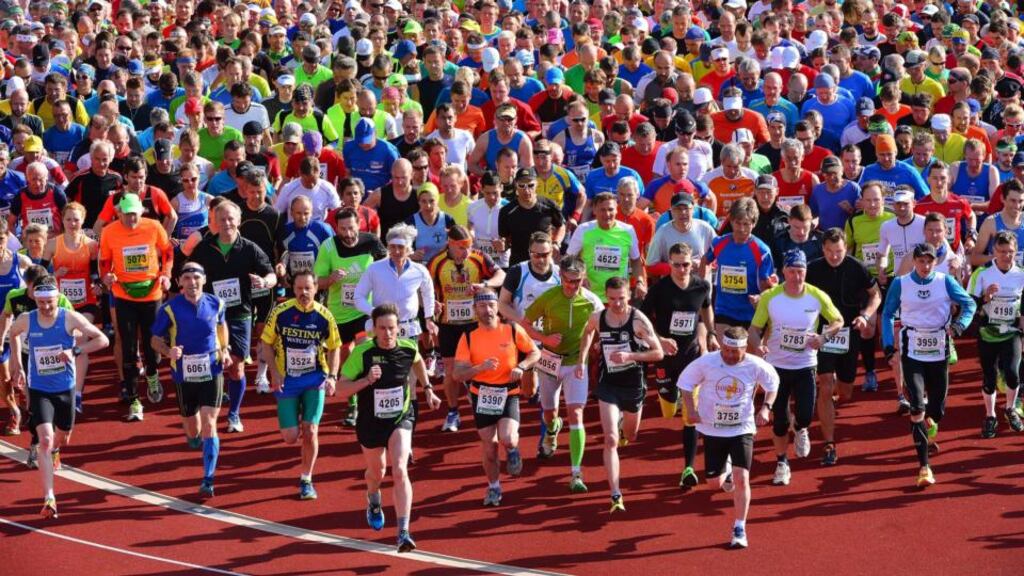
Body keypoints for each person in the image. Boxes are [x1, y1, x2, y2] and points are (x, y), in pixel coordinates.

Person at [338, 303, 442, 553]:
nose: (387, 333)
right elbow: (341, 389)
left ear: (398, 329)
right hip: (370, 423)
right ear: (373, 329)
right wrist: (366, 380)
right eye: (382, 328)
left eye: (392, 328)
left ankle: (403, 532)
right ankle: (374, 500)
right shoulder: (362, 353)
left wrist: (427, 389)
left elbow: (417, 363)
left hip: (400, 418)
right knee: (377, 473)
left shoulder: (407, 347)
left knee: (400, 469)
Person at [9, 278, 108, 518]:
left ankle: (56, 451)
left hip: (65, 389)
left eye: (49, 302)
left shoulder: (69, 317)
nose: (45, 307)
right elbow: (12, 333)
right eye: (41, 302)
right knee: (45, 439)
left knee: (62, 438)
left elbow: (102, 340)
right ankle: (49, 498)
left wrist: (74, 350)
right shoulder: (27, 319)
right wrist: (17, 364)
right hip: (39, 389)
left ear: (57, 299)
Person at [881, 243, 976, 488]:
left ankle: (930, 421)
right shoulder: (901, 283)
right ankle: (924, 467)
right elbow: (888, 314)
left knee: (938, 409)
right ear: (914, 261)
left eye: (929, 261)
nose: (925, 266)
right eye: (921, 261)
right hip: (912, 350)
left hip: (939, 348)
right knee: (916, 407)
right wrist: (889, 346)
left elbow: (969, 304)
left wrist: (959, 326)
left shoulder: (945, 282)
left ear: (936, 262)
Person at [677, 326, 778, 549]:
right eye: (726, 350)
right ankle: (727, 470)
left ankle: (739, 527)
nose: (730, 355)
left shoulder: (755, 364)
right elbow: (685, 383)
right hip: (713, 429)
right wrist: (691, 409)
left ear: (745, 348)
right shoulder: (707, 362)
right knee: (714, 484)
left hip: (742, 428)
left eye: (735, 351)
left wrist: (765, 408)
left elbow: (773, 384)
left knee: (743, 478)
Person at [749, 249, 843, 485]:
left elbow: (837, 321)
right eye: (791, 271)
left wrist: (822, 339)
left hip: (805, 365)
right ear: (783, 272)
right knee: (779, 420)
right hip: (776, 367)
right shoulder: (771, 297)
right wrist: (758, 346)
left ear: (805, 271)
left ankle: (801, 429)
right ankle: (782, 462)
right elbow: (754, 329)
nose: (796, 277)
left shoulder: (816, 296)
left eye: (800, 271)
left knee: (803, 414)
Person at [188, 201, 277, 433]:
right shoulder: (205, 248)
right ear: (215, 222)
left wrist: (265, 281)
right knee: (211, 365)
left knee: (236, 367)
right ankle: (209, 410)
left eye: (231, 219)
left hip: (239, 314)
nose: (227, 223)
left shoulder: (250, 248)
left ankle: (234, 414)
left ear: (238, 221)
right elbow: (189, 273)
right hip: (210, 316)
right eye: (222, 219)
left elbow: (271, 274)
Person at [579, 276, 663, 512]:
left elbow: (658, 354)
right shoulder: (598, 317)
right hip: (608, 385)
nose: (616, 304)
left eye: (622, 299)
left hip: (634, 385)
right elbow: (587, 332)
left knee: (630, 435)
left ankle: (622, 426)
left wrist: (631, 356)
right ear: (606, 297)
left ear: (629, 296)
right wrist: (582, 359)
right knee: (611, 439)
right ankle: (615, 493)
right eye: (612, 299)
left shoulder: (638, 320)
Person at [150, 262, 231, 498]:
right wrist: (168, 352)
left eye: (196, 277)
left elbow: (221, 326)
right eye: (186, 278)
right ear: (180, 283)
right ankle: (194, 438)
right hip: (184, 374)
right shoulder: (170, 309)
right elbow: (155, 339)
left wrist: (224, 349)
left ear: (204, 280)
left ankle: (208, 478)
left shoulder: (217, 304)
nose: (192, 282)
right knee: (193, 429)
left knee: (209, 424)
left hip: (212, 369)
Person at [452, 288, 540, 506]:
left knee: (508, 437)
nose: (487, 310)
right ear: (475, 310)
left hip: (508, 392)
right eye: (482, 306)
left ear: (497, 308)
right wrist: (479, 367)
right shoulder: (468, 336)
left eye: (491, 305)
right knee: (489, 448)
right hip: (481, 395)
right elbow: (457, 374)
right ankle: (493, 487)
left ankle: (512, 449)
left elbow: (534, 352)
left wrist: (522, 366)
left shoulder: (511, 329)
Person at [522, 255, 603, 491]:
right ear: (561, 277)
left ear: (583, 278)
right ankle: (552, 429)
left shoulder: (591, 302)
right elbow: (525, 323)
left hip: (577, 364)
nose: (572, 286)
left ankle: (576, 473)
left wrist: (589, 353)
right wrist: (545, 339)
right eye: (568, 280)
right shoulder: (548, 297)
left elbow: (598, 327)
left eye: (577, 281)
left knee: (576, 414)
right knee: (550, 412)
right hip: (549, 361)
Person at [260, 270, 341, 500]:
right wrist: (274, 373)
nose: (304, 293)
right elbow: (266, 343)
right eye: (299, 289)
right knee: (290, 436)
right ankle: (292, 421)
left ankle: (306, 479)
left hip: (315, 379)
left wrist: (333, 376)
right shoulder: (281, 312)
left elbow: (335, 346)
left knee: (311, 429)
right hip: (287, 380)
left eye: (308, 288)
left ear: (316, 288)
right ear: (293, 289)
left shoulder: (325, 316)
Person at [641, 242, 716, 487]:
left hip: (691, 357)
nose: (682, 269)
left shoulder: (701, 286)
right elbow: (641, 320)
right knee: (668, 410)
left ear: (692, 263)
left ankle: (688, 468)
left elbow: (706, 311)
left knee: (689, 415)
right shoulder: (660, 289)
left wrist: (709, 336)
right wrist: (659, 340)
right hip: (666, 359)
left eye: (686, 264)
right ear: (669, 264)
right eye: (676, 265)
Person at [805, 228, 882, 465]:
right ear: (823, 249)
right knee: (826, 384)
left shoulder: (856, 267)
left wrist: (866, 315)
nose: (834, 256)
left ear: (845, 247)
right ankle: (829, 443)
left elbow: (875, 294)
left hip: (849, 332)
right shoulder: (813, 268)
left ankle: (832, 392)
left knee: (845, 391)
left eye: (838, 251)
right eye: (829, 251)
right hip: (823, 334)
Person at [99, 193, 174, 422]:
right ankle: (133, 399)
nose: (131, 219)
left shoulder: (153, 226)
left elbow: (168, 251)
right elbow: (104, 261)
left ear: (141, 211)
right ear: (119, 212)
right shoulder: (109, 231)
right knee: (129, 347)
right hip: (124, 295)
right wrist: (106, 276)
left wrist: (166, 275)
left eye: (134, 214)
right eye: (126, 214)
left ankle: (152, 375)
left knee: (152, 346)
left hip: (152, 294)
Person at [313, 207, 387, 426]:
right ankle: (352, 402)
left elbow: (389, 267)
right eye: (343, 229)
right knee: (346, 354)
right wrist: (331, 279)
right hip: (339, 311)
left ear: (359, 226)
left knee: (364, 349)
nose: (348, 233)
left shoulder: (372, 242)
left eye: (351, 228)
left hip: (364, 310)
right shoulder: (329, 247)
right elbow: (316, 282)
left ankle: (369, 403)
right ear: (337, 229)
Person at [428, 225, 504, 433]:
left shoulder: (478, 258)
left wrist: (485, 284)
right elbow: (424, 288)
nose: (467, 251)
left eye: (470, 246)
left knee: (481, 366)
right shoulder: (437, 262)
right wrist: (431, 305)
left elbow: (502, 276)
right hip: (449, 324)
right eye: (462, 247)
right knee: (452, 372)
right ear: (450, 244)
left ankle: (485, 407)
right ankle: (453, 412)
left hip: (475, 323)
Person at [967, 231, 1024, 438]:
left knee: (1012, 372)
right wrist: (985, 297)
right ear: (993, 251)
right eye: (1001, 251)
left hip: (1011, 332)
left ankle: (1010, 408)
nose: (1006, 255)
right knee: (989, 376)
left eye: (1010, 252)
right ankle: (990, 415)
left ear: (1015, 251)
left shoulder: (1021, 274)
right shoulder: (981, 274)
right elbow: (969, 304)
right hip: (987, 332)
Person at [704, 197, 776, 338]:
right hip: (724, 309)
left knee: (746, 357)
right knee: (725, 352)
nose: (741, 229)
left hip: (749, 312)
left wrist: (760, 297)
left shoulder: (761, 251)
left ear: (754, 224)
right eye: (738, 223)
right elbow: (704, 260)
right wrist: (702, 286)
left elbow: (767, 284)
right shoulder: (719, 243)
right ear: (731, 221)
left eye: (746, 224)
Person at [566, 192, 646, 302]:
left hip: (618, 297)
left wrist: (639, 282)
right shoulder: (583, 230)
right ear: (594, 210)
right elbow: (569, 259)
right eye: (602, 210)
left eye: (610, 209)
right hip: (589, 295)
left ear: (616, 210)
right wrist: (581, 277)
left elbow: (636, 260)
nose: (607, 214)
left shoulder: (628, 230)